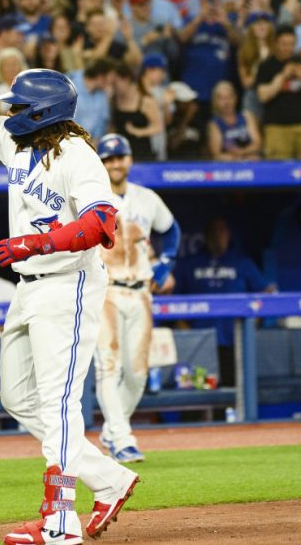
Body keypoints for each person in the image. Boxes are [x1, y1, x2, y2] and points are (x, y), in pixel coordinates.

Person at [0, 26, 139, 545]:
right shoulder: (16, 139)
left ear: (41, 113)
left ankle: (60, 521)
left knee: (57, 403)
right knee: (18, 396)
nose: (8, 112)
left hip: (67, 285)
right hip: (29, 289)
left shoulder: (78, 155)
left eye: (18, 106)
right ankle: (109, 478)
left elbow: (101, 224)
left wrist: (35, 244)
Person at [92, 133, 179, 465]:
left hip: (141, 291)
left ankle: (114, 431)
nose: (115, 163)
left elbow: (171, 230)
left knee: (138, 373)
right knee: (109, 367)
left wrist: (165, 263)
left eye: (120, 157)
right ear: (101, 163)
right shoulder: (92, 197)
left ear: (129, 160)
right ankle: (123, 438)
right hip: (108, 290)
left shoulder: (146, 198)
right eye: (109, 158)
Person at [174, 218, 275, 387]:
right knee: (198, 392)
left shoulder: (241, 262)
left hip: (232, 341)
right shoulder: (190, 264)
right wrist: (185, 329)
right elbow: (172, 299)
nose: (218, 236)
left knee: (231, 392)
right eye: (213, 232)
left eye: (222, 231)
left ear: (228, 234)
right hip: (199, 342)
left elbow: (267, 292)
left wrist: (250, 326)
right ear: (206, 236)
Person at [255, 26, 301, 160]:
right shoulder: (266, 66)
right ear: (275, 43)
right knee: (277, 173)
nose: (288, 48)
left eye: (292, 44)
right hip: (276, 128)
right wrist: (282, 76)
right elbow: (263, 96)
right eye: (284, 44)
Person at [207, 81, 261, 161]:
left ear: (235, 98)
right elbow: (217, 154)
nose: (226, 102)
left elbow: (257, 144)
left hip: (250, 160)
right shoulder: (214, 124)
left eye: (229, 97)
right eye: (221, 98)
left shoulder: (247, 117)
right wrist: (238, 158)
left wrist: (242, 152)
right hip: (227, 165)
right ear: (215, 102)